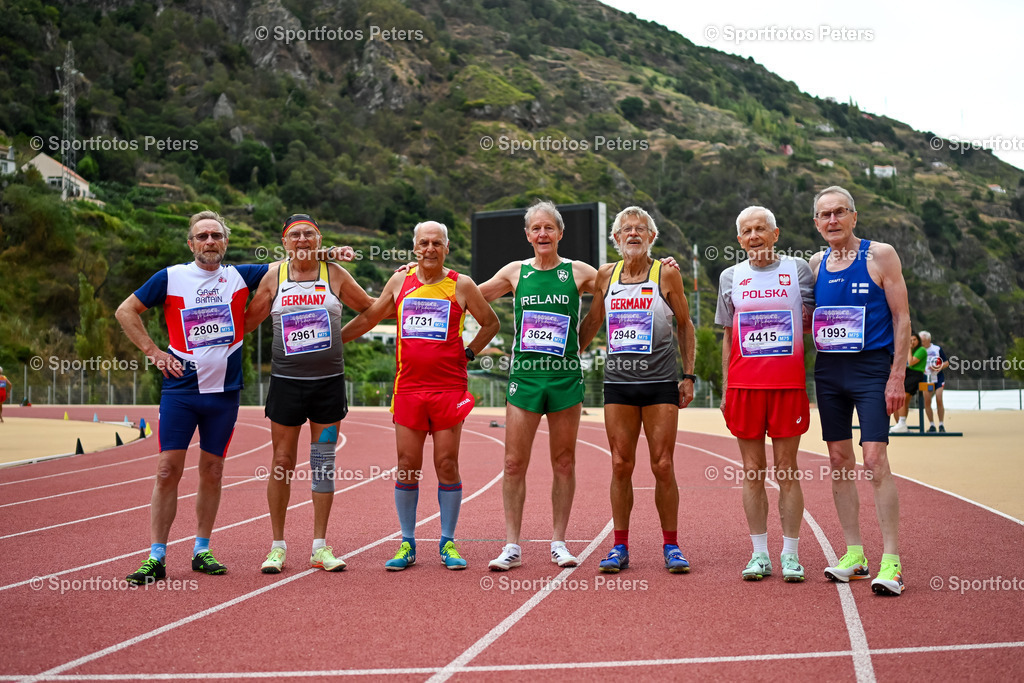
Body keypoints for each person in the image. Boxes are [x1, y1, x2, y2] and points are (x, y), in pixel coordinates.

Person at [116, 211, 269, 584]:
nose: (210, 241)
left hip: (224, 392)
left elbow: (293, 260)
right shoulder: (170, 277)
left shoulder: (240, 275)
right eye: (202, 236)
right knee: (168, 469)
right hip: (181, 389)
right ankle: (156, 556)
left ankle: (202, 549)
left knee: (213, 471)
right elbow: (125, 311)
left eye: (216, 235)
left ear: (226, 242)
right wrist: (154, 353)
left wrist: (334, 253)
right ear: (191, 243)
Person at [342, 221, 498, 570]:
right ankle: (407, 543)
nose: (430, 248)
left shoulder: (462, 285)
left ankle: (448, 543)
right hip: (409, 389)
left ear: (446, 248)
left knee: (446, 463)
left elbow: (491, 323)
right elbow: (371, 317)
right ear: (415, 248)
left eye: (436, 243)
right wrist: (335, 342)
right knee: (408, 466)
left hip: (449, 389)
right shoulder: (399, 281)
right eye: (424, 243)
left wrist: (469, 353)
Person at [244, 215, 375, 574]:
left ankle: (320, 546)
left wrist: (341, 337)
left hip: (328, 384)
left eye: (309, 234)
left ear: (319, 239)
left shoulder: (335, 274)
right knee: (282, 462)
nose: (302, 240)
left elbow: (371, 309)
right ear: (285, 242)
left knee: (322, 463)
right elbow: (248, 322)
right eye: (295, 235)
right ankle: (277, 546)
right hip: (286, 384)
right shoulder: (274, 276)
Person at [479, 201, 600, 571]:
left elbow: (624, 283)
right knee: (514, 463)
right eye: (536, 229)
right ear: (528, 235)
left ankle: (559, 542)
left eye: (549, 228)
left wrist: (581, 343)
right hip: (526, 379)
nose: (543, 234)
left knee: (563, 462)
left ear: (560, 233)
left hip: (564, 378)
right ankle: (511, 546)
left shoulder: (578, 272)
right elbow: (468, 294)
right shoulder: (516, 273)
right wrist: (424, 273)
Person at [578, 206, 696, 574]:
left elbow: (685, 324)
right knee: (619, 464)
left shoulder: (667, 273)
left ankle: (672, 545)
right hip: (618, 385)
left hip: (660, 383)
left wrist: (688, 376)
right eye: (626, 230)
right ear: (615, 239)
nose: (633, 234)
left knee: (662, 465)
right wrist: (569, 358)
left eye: (640, 229)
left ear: (651, 237)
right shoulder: (606, 276)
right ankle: (619, 547)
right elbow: (594, 320)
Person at [808, 186, 910, 596]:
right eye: (824, 215)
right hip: (829, 372)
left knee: (874, 459)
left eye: (839, 213)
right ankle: (854, 555)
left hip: (871, 370)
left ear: (854, 216)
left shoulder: (880, 255)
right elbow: (770, 273)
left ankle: (892, 561)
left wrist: (897, 375)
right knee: (837, 458)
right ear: (816, 224)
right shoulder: (815, 264)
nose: (832, 221)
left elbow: (903, 317)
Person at [713, 206, 814, 582]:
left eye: (761, 229)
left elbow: (815, 320)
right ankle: (759, 555)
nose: (754, 235)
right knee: (752, 472)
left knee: (787, 471)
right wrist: (725, 388)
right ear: (739, 239)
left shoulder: (798, 270)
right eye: (746, 230)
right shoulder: (730, 276)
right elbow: (727, 335)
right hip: (744, 386)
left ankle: (790, 555)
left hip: (787, 385)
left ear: (776, 234)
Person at [890, 332, 928, 433]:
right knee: (904, 400)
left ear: (918, 341)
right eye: (910, 340)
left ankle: (901, 423)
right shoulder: (909, 350)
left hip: (916, 374)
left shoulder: (921, 350)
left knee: (903, 397)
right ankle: (901, 424)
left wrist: (909, 348)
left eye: (914, 340)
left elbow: (911, 362)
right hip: (907, 373)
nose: (912, 342)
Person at [919, 330, 949, 432]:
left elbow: (946, 362)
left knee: (939, 398)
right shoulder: (918, 350)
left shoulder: (937, 349)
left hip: (938, 378)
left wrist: (939, 367)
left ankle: (941, 424)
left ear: (928, 340)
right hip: (925, 379)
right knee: (927, 401)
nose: (921, 343)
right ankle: (932, 425)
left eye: (923, 340)